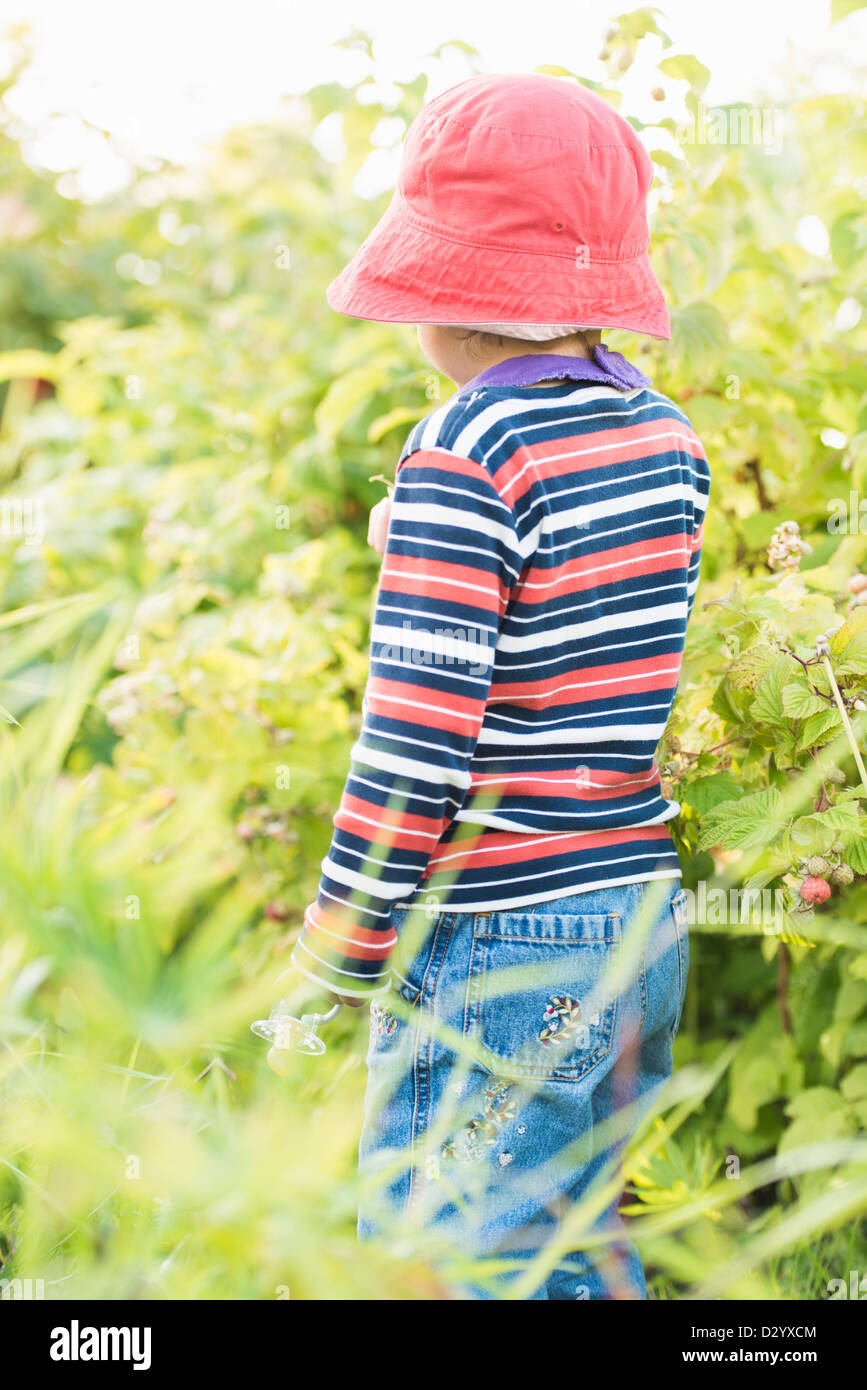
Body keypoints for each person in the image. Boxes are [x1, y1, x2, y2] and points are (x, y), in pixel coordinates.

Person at [291, 71, 711, 1299]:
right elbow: (586, 619)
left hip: (500, 931)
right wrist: (425, 539)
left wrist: (340, 945)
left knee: (453, 1259)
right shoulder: (665, 438)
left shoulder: (462, 453)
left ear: (438, 294)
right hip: (634, 910)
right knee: (581, 1240)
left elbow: (415, 747)